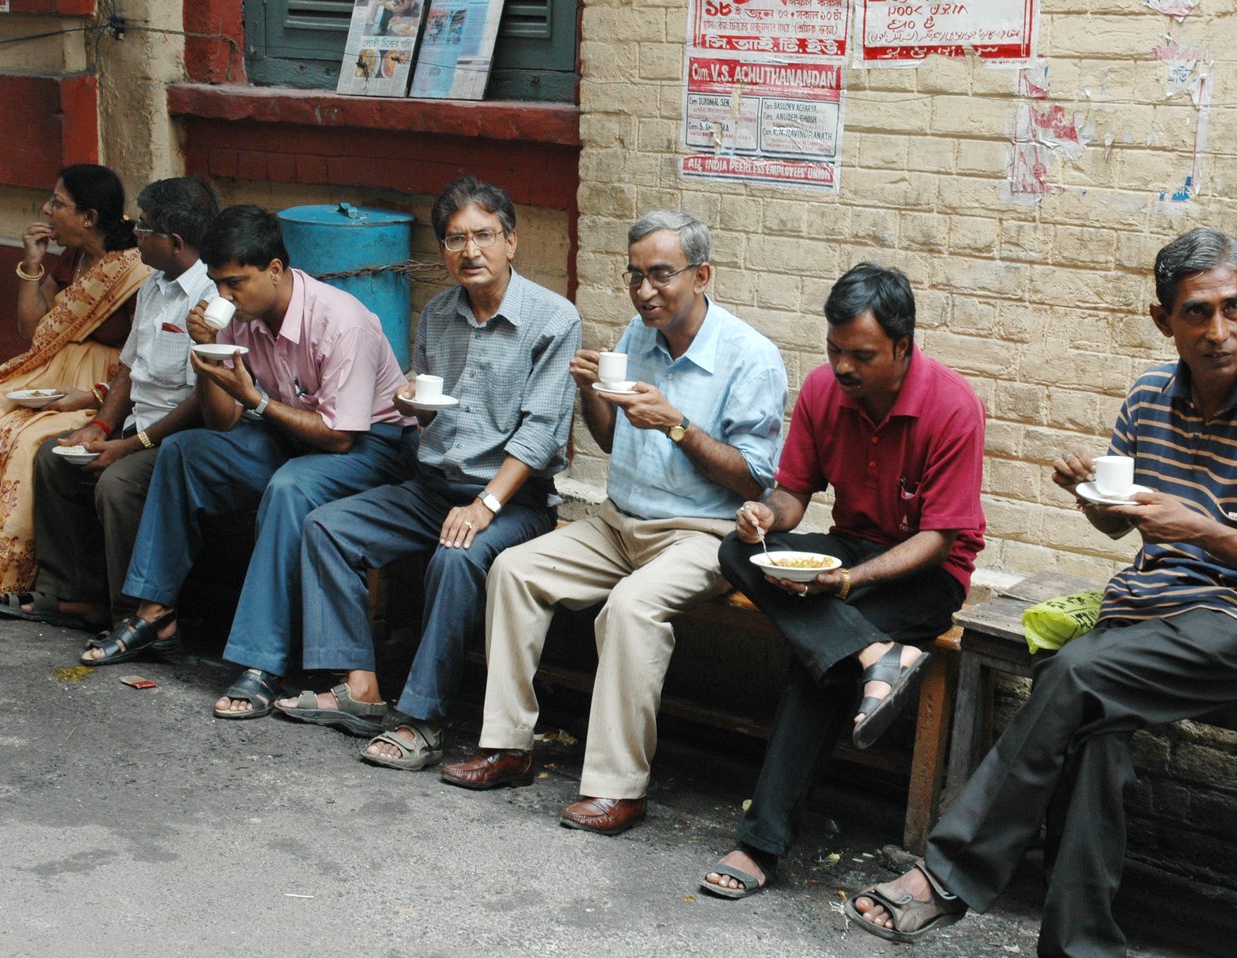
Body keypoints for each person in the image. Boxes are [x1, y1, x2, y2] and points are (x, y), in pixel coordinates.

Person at [847, 228, 1237, 957]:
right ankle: (1081, 945)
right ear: (1163, 320)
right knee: (1098, 732)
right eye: (1197, 314)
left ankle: (949, 873)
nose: (1219, 332)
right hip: (1150, 607)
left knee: (1073, 671)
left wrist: (1205, 532)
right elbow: (1125, 531)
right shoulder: (1151, 396)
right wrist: (1091, 497)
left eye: (1233, 309)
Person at [439, 211, 789, 835]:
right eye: (634, 276)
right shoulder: (637, 335)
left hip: (702, 533)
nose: (644, 292)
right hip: (618, 522)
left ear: (702, 275)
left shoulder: (751, 358)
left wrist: (677, 424)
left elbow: (755, 480)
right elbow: (606, 439)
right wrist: (590, 394)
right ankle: (508, 747)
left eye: (660, 276)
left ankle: (618, 789)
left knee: (630, 608)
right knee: (514, 569)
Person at [273, 176, 580, 772]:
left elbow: (542, 433)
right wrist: (411, 406)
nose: (471, 252)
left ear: (511, 241)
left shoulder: (552, 318)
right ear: (442, 250)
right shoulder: (438, 313)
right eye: (455, 239)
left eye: (484, 236)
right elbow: (427, 409)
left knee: (456, 556)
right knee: (327, 526)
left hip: (512, 501)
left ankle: (423, 719)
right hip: (434, 487)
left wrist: (485, 506)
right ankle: (360, 689)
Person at [700, 263, 986, 898]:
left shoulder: (953, 406)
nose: (843, 368)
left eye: (861, 355)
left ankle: (759, 845)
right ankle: (874, 654)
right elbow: (795, 495)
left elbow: (940, 537)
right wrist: (762, 519)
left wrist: (848, 582)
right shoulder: (823, 391)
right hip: (851, 549)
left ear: (904, 347)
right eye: (834, 351)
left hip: (928, 572)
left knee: (816, 666)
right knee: (738, 554)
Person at [80, 205, 416, 703]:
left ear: (275, 270)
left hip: (370, 446)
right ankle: (155, 615)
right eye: (217, 284)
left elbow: (338, 436)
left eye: (235, 283)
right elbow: (221, 421)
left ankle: (262, 661)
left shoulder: (342, 322)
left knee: (290, 486)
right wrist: (209, 355)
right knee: (186, 451)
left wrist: (255, 399)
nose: (224, 296)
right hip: (290, 434)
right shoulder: (240, 317)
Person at [0, 164, 148, 605]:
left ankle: (2, 575)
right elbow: (34, 331)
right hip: (48, 371)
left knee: (24, 438)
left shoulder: (135, 271)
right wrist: (31, 264)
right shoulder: (70, 260)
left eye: (57, 204)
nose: (46, 210)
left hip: (102, 382)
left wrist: (90, 398)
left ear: (89, 216)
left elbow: (141, 359)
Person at [15, 177, 219, 631]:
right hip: (138, 426)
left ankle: (137, 615)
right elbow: (129, 369)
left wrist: (129, 446)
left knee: (117, 482)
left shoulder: (210, 298)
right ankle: (76, 595)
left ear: (176, 241)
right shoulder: (152, 285)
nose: (135, 234)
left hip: (181, 437)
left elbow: (199, 401)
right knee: (55, 456)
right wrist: (102, 428)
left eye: (144, 229)